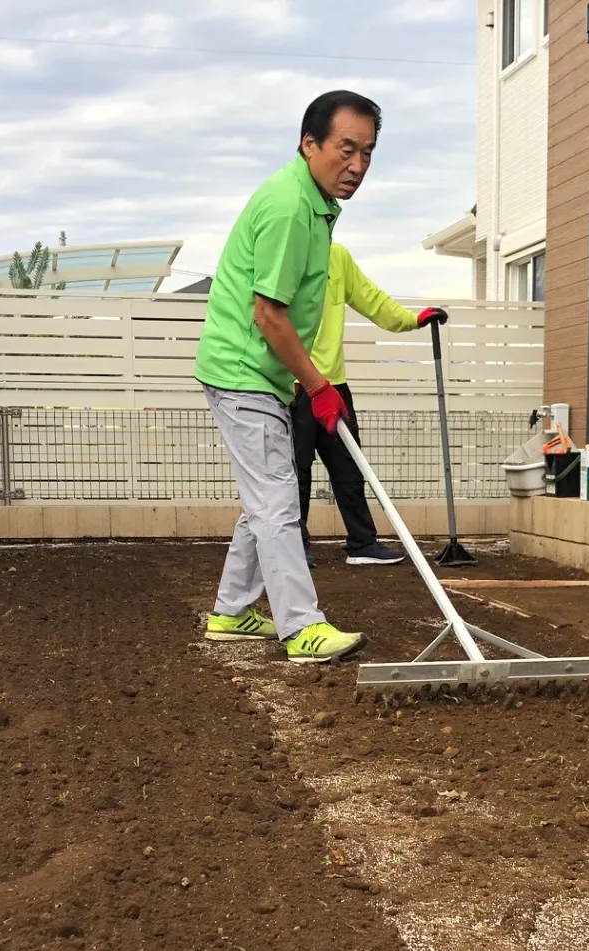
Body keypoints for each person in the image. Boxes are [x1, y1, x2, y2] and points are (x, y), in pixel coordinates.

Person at [194, 91, 380, 664]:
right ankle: (301, 626)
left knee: (263, 497)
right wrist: (320, 386)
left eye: (368, 153)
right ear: (310, 144)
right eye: (346, 149)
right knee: (278, 499)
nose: (357, 166)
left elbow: (288, 313)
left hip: (261, 373)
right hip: (242, 371)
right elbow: (267, 313)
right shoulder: (290, 208)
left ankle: (230, 612)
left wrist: (303, 380)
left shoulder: (314, 205)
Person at [292, 243, 448, 567]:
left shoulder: (337, 256)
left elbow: (371, 298)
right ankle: (294, 545)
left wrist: (412, 319)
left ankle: (362, 543)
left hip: (334, 384)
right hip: (294, 383)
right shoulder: (287, 250)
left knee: (350, 468)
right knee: (296, 472)